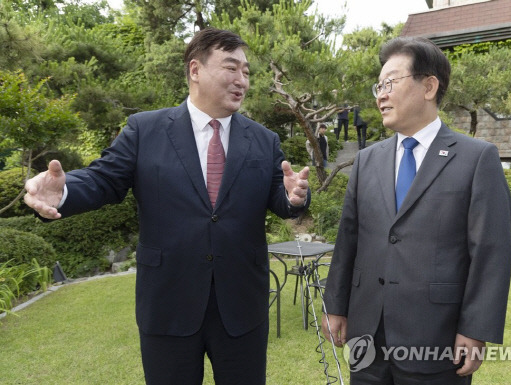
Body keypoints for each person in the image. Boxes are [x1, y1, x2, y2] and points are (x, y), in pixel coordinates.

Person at [24, 28, 310, 385]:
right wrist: (63, 192)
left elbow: (281, 199)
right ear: (195, 70)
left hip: (241, 307)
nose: (242, 80)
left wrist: (294, 197)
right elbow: (104, 180)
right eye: (231, 68)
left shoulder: (263, 140)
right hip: (168, 303)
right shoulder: (145, 130)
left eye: (247, 72)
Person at [322, 37, 511, 384]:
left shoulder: (476, 158)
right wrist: (335, 305)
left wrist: (476, 329)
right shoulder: (367, 160)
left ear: (428, 86)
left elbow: (490, 251)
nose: (380, 94)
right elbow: (349, 237)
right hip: (367, 333)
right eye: (378, 85)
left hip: (436, 338)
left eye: (390, 82)